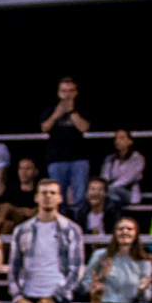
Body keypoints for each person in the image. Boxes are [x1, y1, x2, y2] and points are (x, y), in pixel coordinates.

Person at [41, 75, 92, 213]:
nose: (67, 95)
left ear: (76, 93)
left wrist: (72, 112)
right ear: (58, 93)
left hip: (79, 159)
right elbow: (45, 127)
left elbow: (84, 127)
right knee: (57, 198)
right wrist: (56, 114)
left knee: (80, 198)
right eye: (64, 91)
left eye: (70, 91)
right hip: (57, 159)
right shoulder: (50, 110)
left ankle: (79, 224)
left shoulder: (82, 109)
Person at [0, 154, 41, 233]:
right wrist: (22, 210)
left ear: (35, 172)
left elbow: (33, 212)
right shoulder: (11, 190)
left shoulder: (38, 192)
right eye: (21, 168)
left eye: (28, 168)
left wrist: (13, 209)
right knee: (7, 224)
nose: (24, 172)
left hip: (27, 222)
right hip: (10, 224)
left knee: (6, 207)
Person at [101, 129, 145, 216]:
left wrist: (107, 189)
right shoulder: (110, 159)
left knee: (110, 192)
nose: (118, 141)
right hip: (111, 193)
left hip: (128, 192)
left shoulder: (137, 158)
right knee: (113, 199)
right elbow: (104, 176)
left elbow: (127, 179)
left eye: (122, 138)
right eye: (116, 138)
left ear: (130, 141)